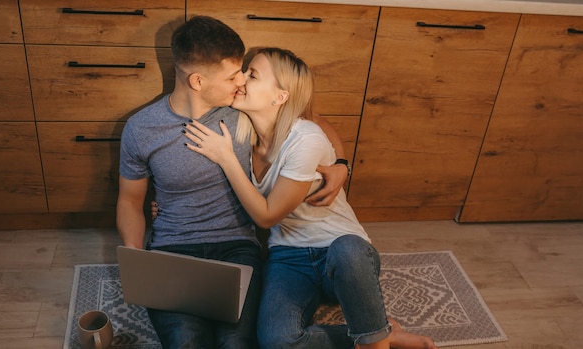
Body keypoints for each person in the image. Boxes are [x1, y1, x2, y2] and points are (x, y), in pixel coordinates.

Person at [182, 47, 438, 349]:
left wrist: (227, 160)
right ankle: (382, 333)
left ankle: (374, 343)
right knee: (276, 342)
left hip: (342, 256)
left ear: (280, 97)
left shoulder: (305, 139)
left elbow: (267, 215)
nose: (241, 79)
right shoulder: (240, 130)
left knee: (348, 250)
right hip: (288, 258)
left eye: (253, 74)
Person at [117, 16, 349, 349]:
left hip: (236, 248)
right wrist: (136, 257)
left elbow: (314, 121)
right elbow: (128, 200)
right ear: (197, 80)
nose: (241, 80)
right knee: (186, 342)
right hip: (173, 250)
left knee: (236, 343)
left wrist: (341, 165)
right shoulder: (142, 129)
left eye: (244, 71)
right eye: (232, 74)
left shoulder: (242, 111)